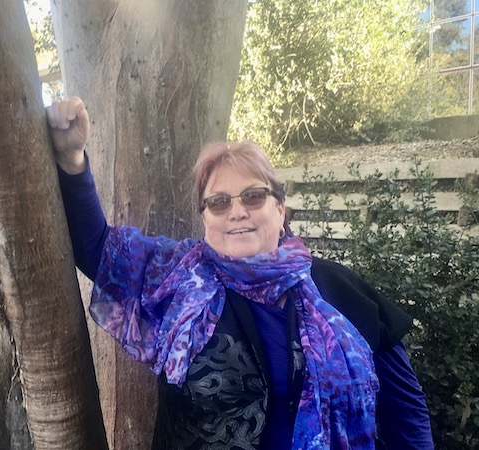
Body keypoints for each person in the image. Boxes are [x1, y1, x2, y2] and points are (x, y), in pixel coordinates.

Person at [46, 96, 434, 450]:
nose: (237, 211)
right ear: (205, 219)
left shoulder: (340, 289)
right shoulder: (177, 280)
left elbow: (406, 410)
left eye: (253, 196)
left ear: (280, 210)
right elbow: (98, 250)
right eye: (218, 202)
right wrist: (71, 160)